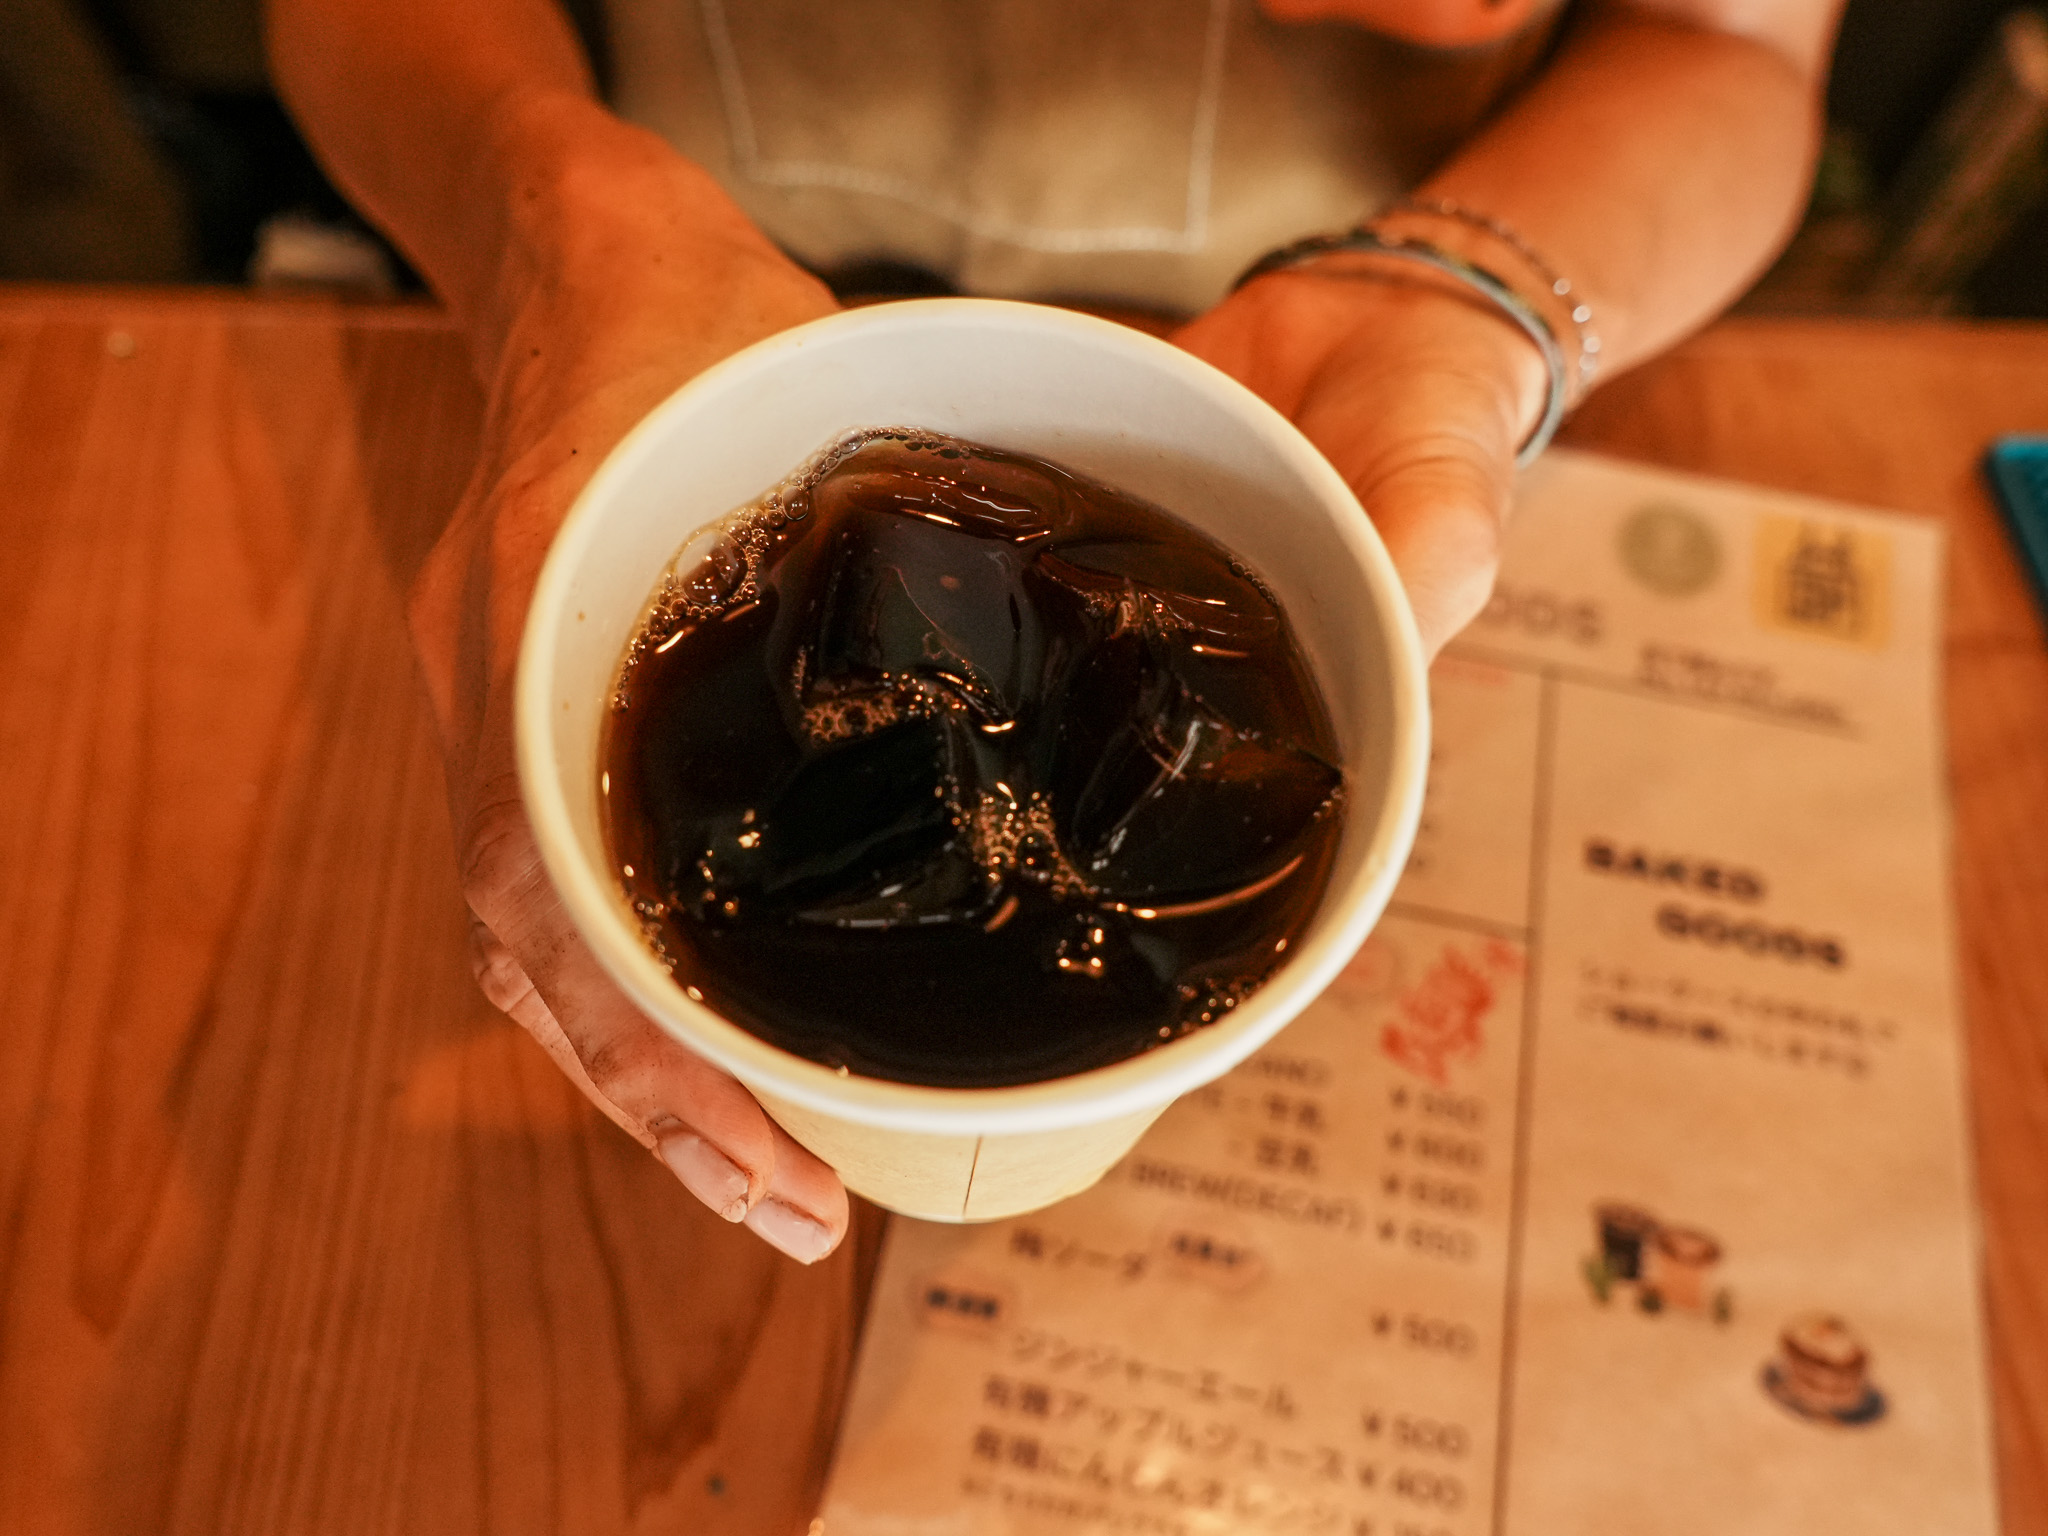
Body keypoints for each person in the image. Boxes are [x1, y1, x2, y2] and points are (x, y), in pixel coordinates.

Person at [268, 0, 1843, 1263]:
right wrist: (549, 219)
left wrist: (1460, 296)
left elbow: (1728, 43)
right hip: (662, 315)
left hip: (1318, 337)